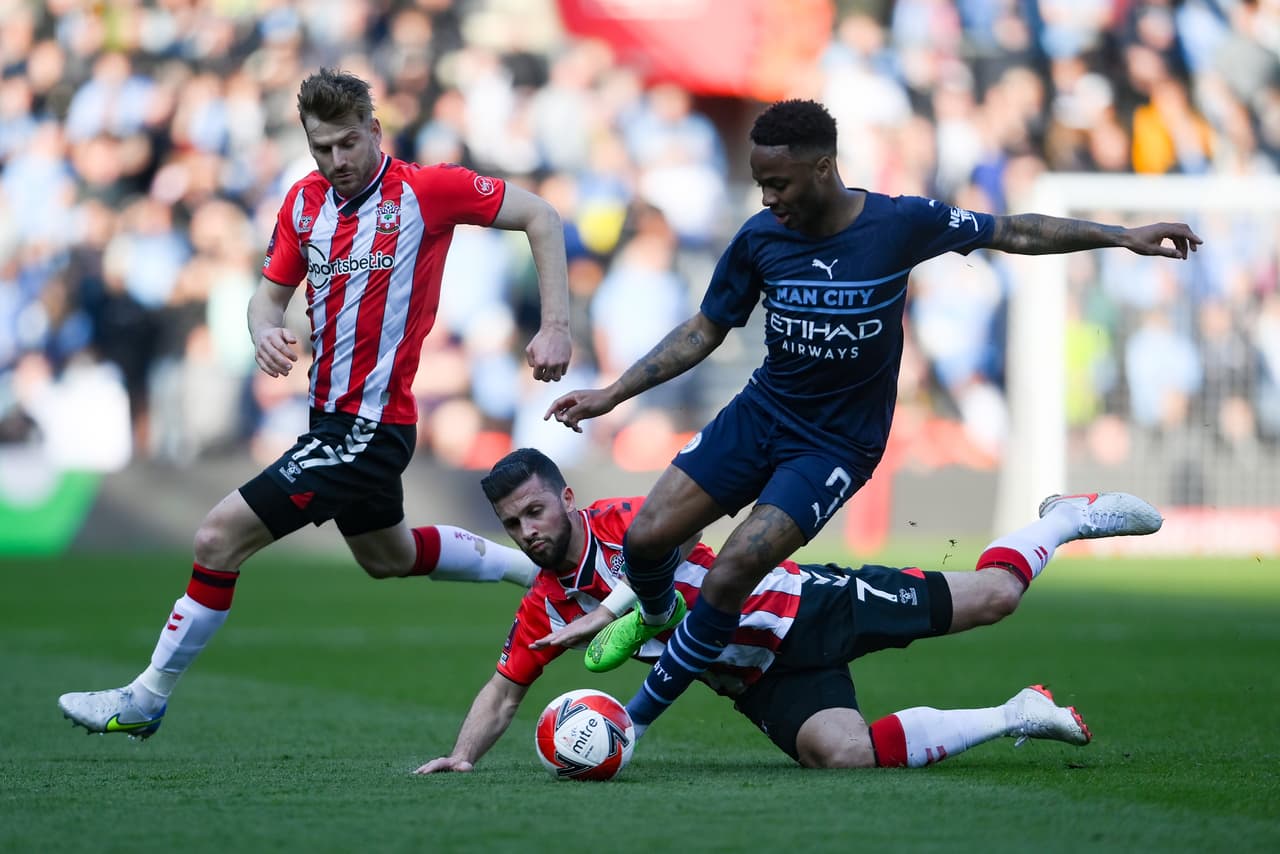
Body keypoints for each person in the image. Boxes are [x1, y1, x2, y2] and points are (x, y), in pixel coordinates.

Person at [544, 98, 1198, 738]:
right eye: (759, 184)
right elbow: (706, 328)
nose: (768, 198)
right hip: (761, 411)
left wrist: (1120, 236)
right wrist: (613, 393)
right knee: (646, 539)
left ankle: (632, 721)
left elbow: (1011, 230)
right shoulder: (759, 238)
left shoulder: (899, 224)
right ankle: (658, 614)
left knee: (735, 567)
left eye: (778, 183)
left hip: (833, 445)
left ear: (823, 168)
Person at [57, 68, 573, 739]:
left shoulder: (425, 190)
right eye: (321, 148)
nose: (336, 161)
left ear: (375, 131)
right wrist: (263, 329)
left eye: (347, 145)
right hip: (332, 421)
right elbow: (266, 295)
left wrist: (557, 321)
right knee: (384, 557)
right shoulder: (303, 203)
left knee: (217, 537)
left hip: (368, 427)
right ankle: (546, 570)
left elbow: (542, 214)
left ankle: (146, 697)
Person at [412, 448, 1162, 773]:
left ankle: (1061, 517)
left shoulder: (623, 523)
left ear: (565, 498)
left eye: (536, 511)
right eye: (514, 525)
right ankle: (1016, 713)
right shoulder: (545, 605)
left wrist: (612, 611)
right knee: (842, 753)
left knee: (995, 597)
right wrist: (464, 754)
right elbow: (506, 687)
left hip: (810, 608)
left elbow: (677, 568)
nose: (529, 531)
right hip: (759, 682)